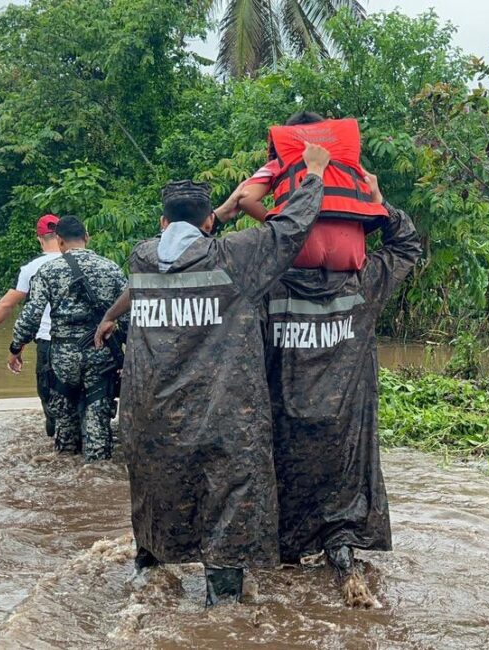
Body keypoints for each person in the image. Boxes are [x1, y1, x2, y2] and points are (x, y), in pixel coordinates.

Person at [102, 143, 330, 607]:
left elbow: (182, 245)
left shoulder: (141, 257)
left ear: (163, 224)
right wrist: (314, 175)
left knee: (156, 496)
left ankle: (147, 580)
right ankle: (220, 614)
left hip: (150, 416)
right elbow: (289, 229)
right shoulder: (233, 259)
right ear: (209, 223)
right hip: (220, 418)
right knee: (229, 503)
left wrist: (215, 218)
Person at [264, 172, 422, 605]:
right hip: (345, 433)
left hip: (286, 431)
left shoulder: (269, 287)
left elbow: (227, 259)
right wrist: (378, 199)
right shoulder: (364, 283)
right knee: (342, 521)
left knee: (284, 542)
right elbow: (407, 245)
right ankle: (346, 564)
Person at [8, 216, 126, 461]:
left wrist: (16, 346)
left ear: (59, 242)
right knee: (98, 423)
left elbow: (31, 316)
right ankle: (95, 472)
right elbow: (126, 318)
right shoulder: (111, 268)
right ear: (87, 237)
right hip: (100, 354)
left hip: (63, 359)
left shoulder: (47, 271)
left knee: (65, 425)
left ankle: (65, 466)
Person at [226, 111, 386, 272]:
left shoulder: (279, 162)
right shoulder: (349, 164)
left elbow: (245, 198)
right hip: (349, 253)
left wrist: (281, 225)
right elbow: (374, 201)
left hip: (299, 250)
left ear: (289, 136)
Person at [0, 214, 61, 437]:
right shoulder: (86, 263)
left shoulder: (32, 269)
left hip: (49, 344)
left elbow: (8, 305)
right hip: (89, 343)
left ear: (40, 238)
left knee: (53, 410)